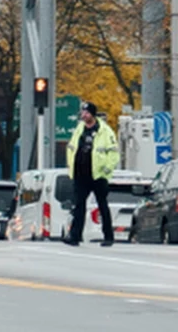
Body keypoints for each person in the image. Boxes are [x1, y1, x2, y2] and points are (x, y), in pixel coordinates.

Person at [64, 101, 119, 247]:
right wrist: (71, 166)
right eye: (83, 112)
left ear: (93, 115)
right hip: (80, 174)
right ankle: (74, 236)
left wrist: (107, 169)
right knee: (78, 206)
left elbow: (114, 153)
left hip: (97, 175)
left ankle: (108, 236)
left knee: (102, 206)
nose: (84, 115)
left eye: (87, 113)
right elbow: (71, 148)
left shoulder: (105, 131)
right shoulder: (79, 129)